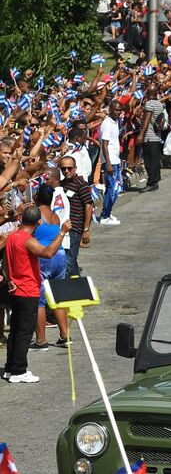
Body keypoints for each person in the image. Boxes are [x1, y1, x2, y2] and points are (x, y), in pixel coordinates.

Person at [2, 206, 71, 383]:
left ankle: (10, 368)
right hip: (27, 291)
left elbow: (5, 264)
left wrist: (10, 279)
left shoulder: (12, 237)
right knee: (24, 332)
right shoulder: (26, 240)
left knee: (15, 331)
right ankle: (19, 371)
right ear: (38, 222)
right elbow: (47, 253)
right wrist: (62, 233)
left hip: (16, 290)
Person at [29, 186, 70, 350]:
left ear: (37, 196)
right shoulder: (55, 216)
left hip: (43, 256)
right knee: (58, 296)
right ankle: (65, 336)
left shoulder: (35, 214)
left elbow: (28, 234)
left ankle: (41, 340)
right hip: (60, 256)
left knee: (40, 300)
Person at [59, 156, 93, 277]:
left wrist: (86, 230)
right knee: (71, 262)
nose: (67, 171)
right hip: (64, 228)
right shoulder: (61, 185)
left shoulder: (81, 184)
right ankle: (78, 286)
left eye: (69, 168)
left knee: (69, 262)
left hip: (75, 229)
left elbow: (89, 206)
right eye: (63, 168)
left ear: (75, 168)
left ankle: (63, 290)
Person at [99, 100, 123, 225]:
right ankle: (104, 216)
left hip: (116, 159)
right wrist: (107, 163)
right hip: (110, 161)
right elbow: (104, 144)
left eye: (120, 110)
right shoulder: (107, 124)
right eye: (116, 110)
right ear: (110, 109)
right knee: (111, 188)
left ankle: (108, 212)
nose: (118, 112)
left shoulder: (115, 122)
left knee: (118, 188)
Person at [137, 84, 164, 192]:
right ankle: (155, 180)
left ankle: (151, 182)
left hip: (149, 136)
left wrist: (141, 135)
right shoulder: (159, 104)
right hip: (156, 137)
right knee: (155, 160)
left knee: (149, 161)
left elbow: (147, 120)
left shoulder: (149, 104)